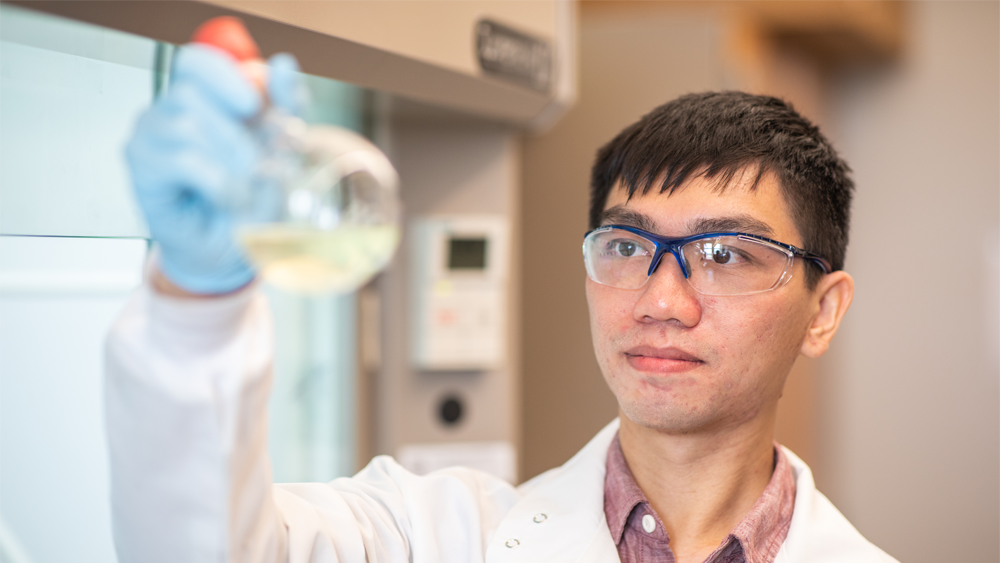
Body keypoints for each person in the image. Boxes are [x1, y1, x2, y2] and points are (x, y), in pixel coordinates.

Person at [105, 43, 897, 563]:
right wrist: (194, 306)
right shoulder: (438, 533)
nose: (662, 298)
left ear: (822, 310)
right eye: (626, 245)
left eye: (723, 254)